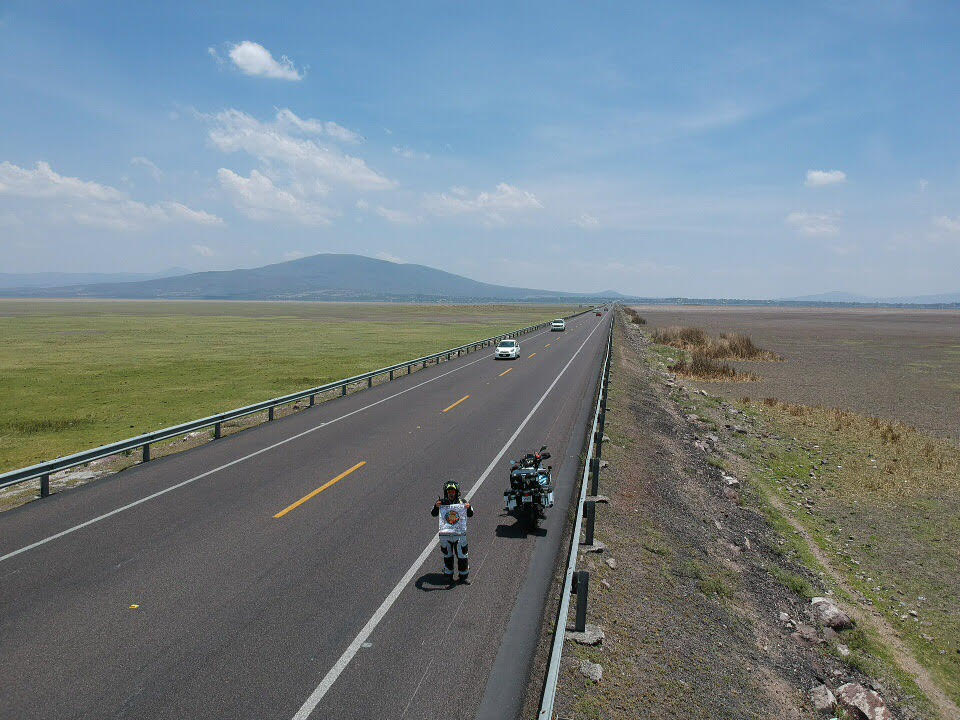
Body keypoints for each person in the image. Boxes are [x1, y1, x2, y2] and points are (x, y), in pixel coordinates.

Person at [431, 480, 473, 584]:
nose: (451, 493)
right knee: (447, 555)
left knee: (462, 555)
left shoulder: (462, 502)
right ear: (446, 492)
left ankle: (463, 576)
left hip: (459, 535)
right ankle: (448, 575)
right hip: (445, 535)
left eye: (453, 491)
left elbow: (471, 513)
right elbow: (433, 513)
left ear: (457, 492)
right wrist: (436, 506)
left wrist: (468, 508)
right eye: (449, 491)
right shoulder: (441, 503)